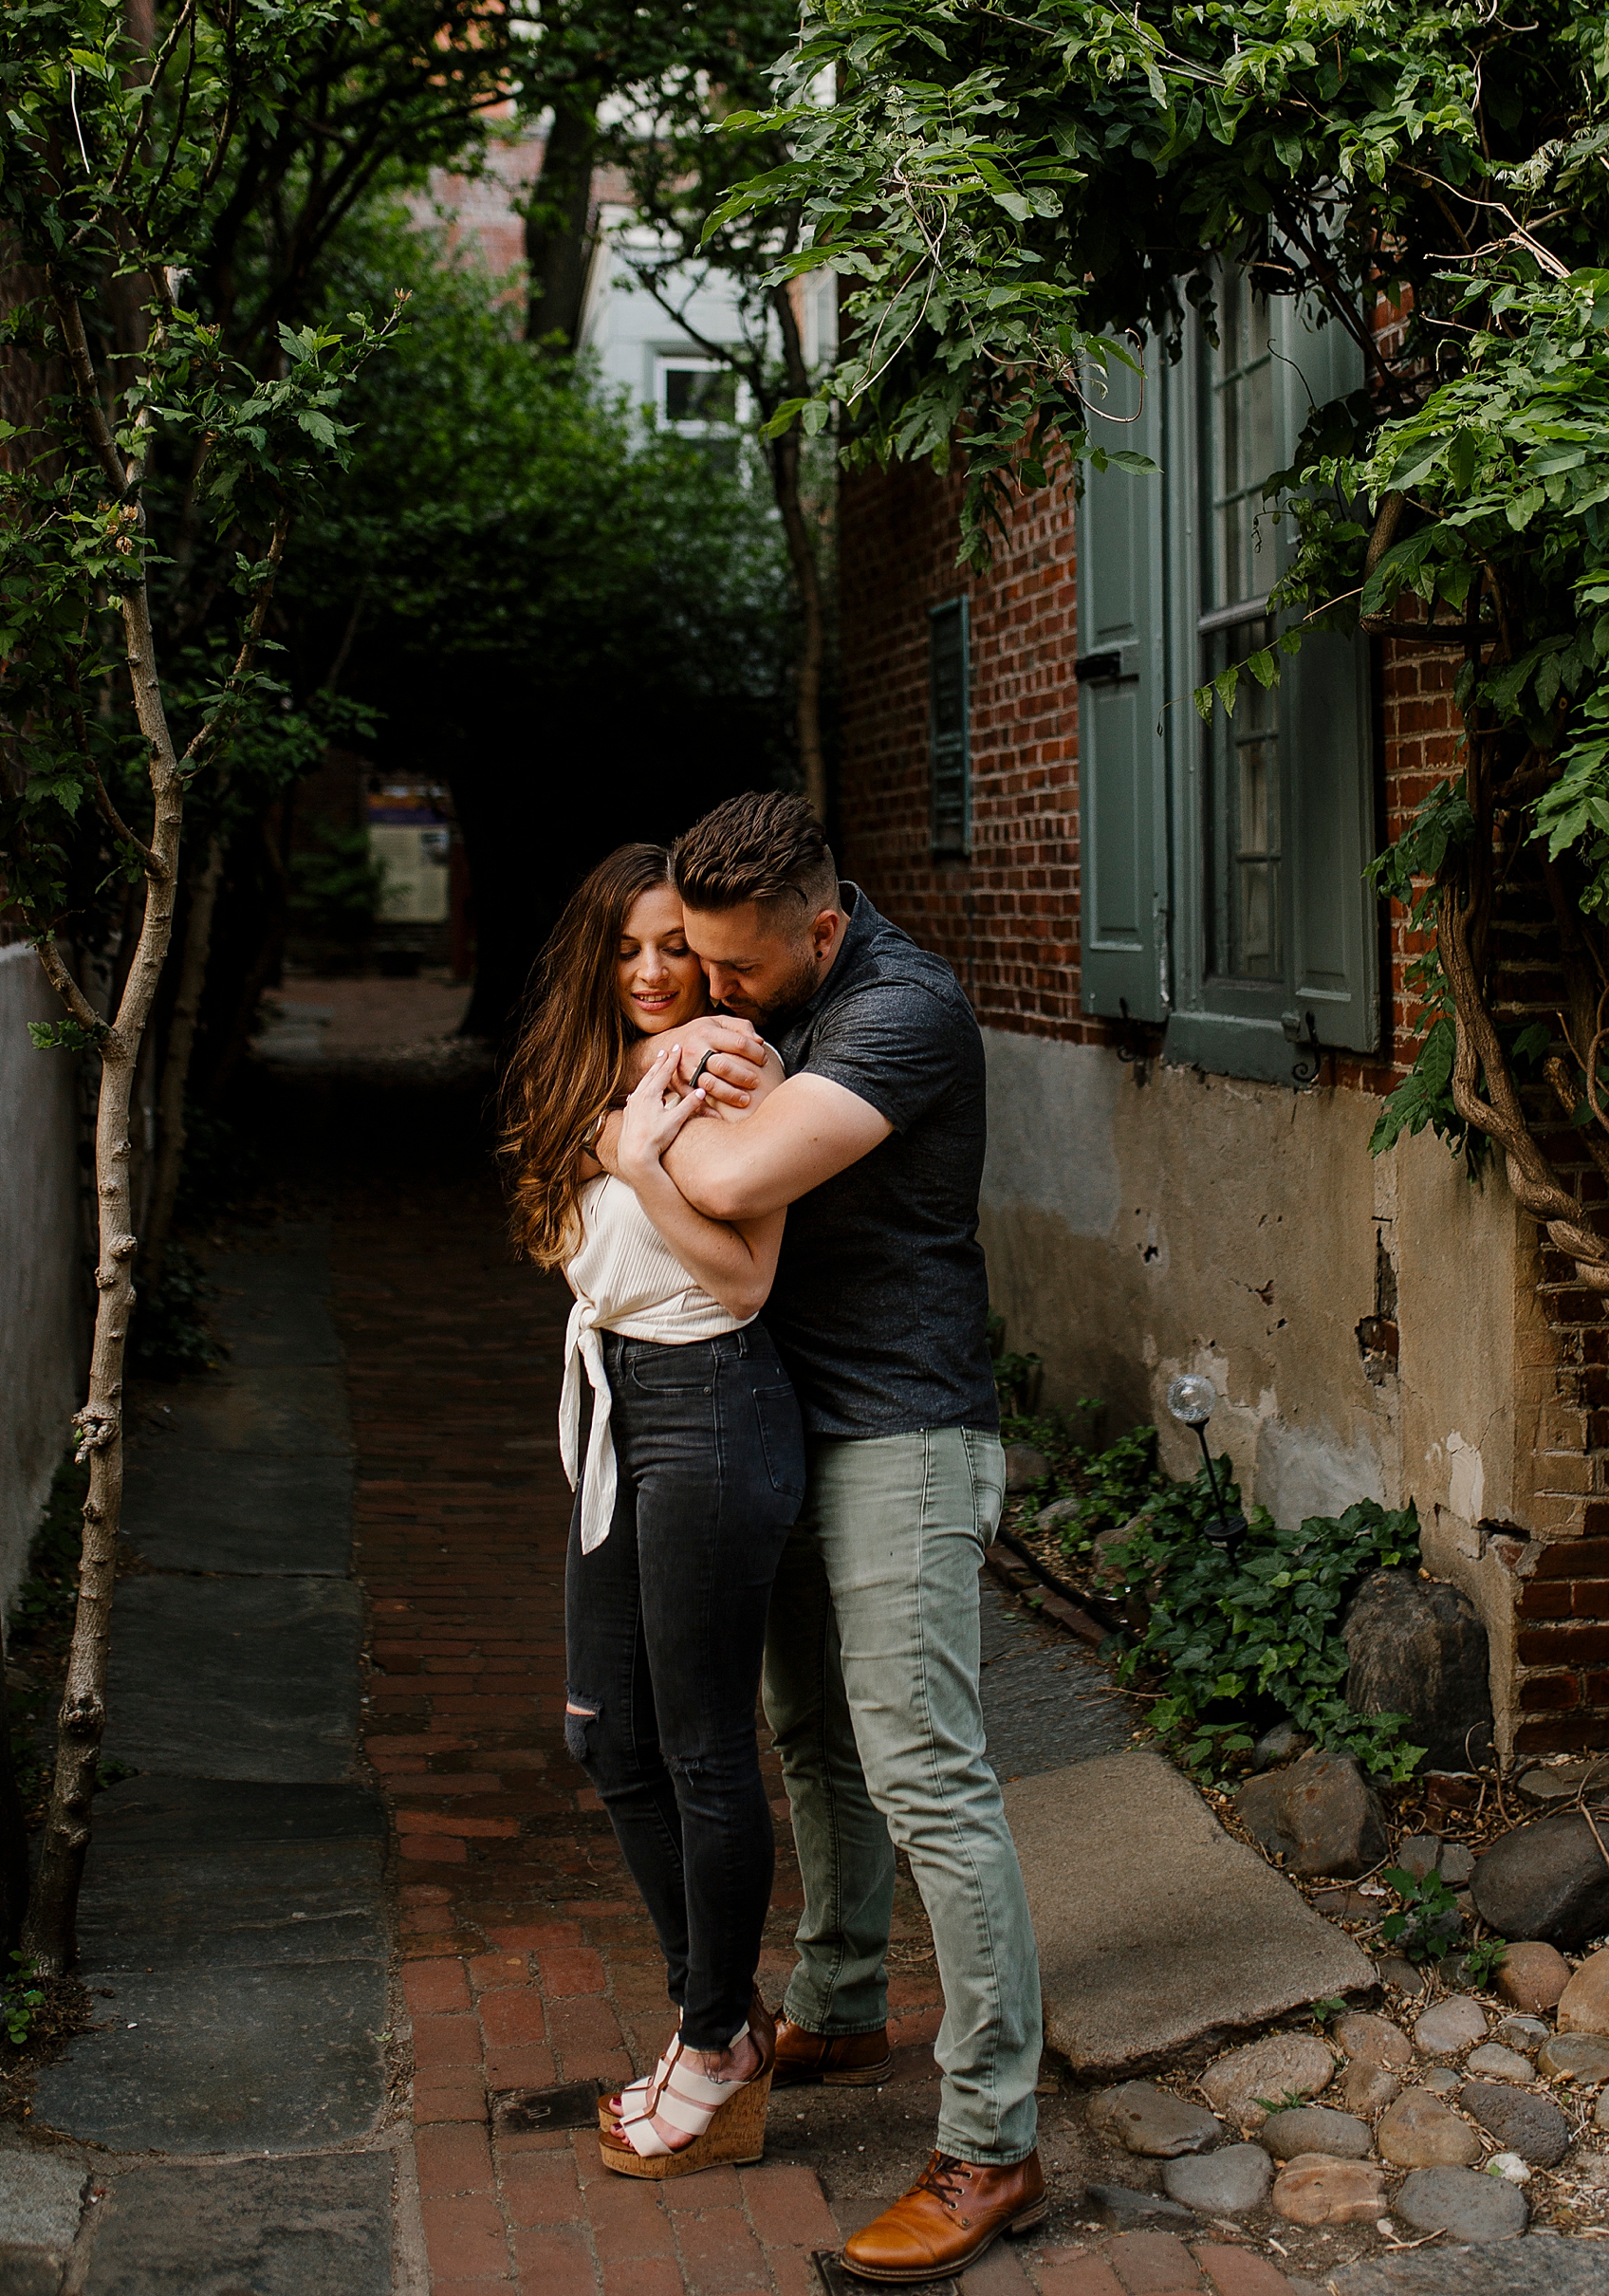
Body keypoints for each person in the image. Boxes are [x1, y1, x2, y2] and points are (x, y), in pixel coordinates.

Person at [596, 791, 1045, 2284]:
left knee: (927, 1773)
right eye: (696, 965)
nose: (707, 991)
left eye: (737, 970)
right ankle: (842, 2002)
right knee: (810, 1737)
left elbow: (718, 1179)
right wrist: (695, 1063)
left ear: (824, 928)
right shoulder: (767, 1003)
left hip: (902, 1425)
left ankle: (991, 2145)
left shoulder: (905, 1011)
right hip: (786, 1407)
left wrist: (640, 1133)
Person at [498, 841, 802, 2179]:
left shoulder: (730, 1066)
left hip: (714, 1401)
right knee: (602, 1737)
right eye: (626, 948)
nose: (650, 970)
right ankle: (714, 2023)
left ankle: (714, 2042)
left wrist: (636, 1161)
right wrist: (616, 1141)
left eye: (673, 943)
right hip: (622, 1401)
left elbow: (742, 1278)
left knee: (701, 1747)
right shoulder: (588, 1071)